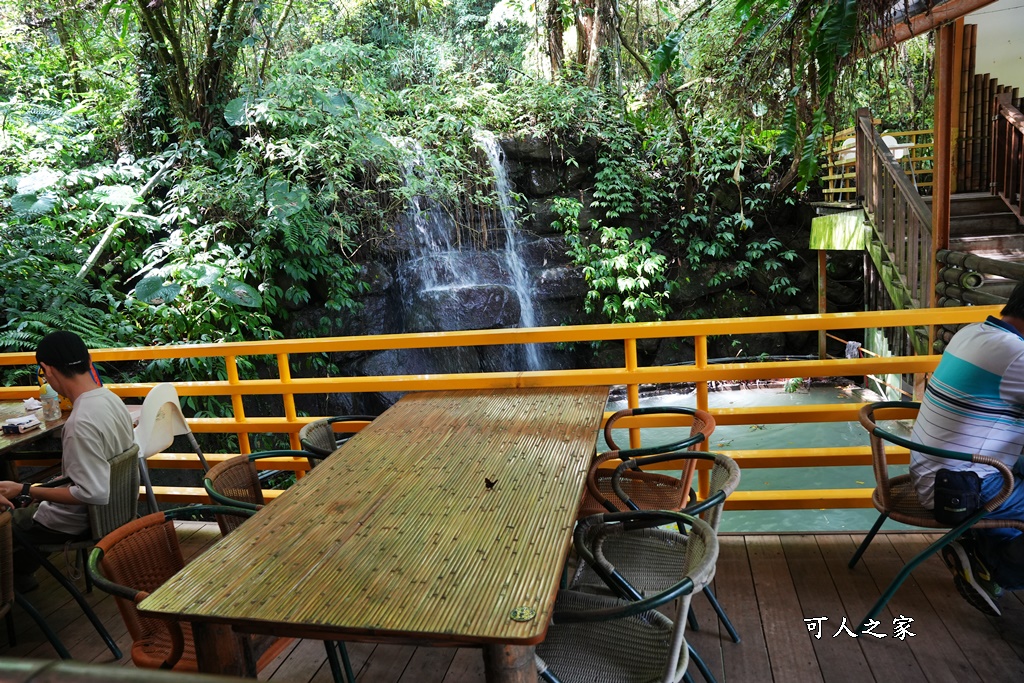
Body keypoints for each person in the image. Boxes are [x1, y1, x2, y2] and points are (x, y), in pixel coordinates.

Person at [909, 281, 1024, 617]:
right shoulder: (1015, 356)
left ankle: (979, 549)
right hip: (959, 489)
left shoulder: (973, 332)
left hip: (938, 472)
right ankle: (993, 567)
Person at [0, 331, 134, 592]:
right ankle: (20, 576)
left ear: (46, 370)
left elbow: (93, 493)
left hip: (73, 522)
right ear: (89, 359)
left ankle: (12, 582)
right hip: (112, 514)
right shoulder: (112, 400)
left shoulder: (80, 422)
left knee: (9, 518)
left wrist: (25, 490)